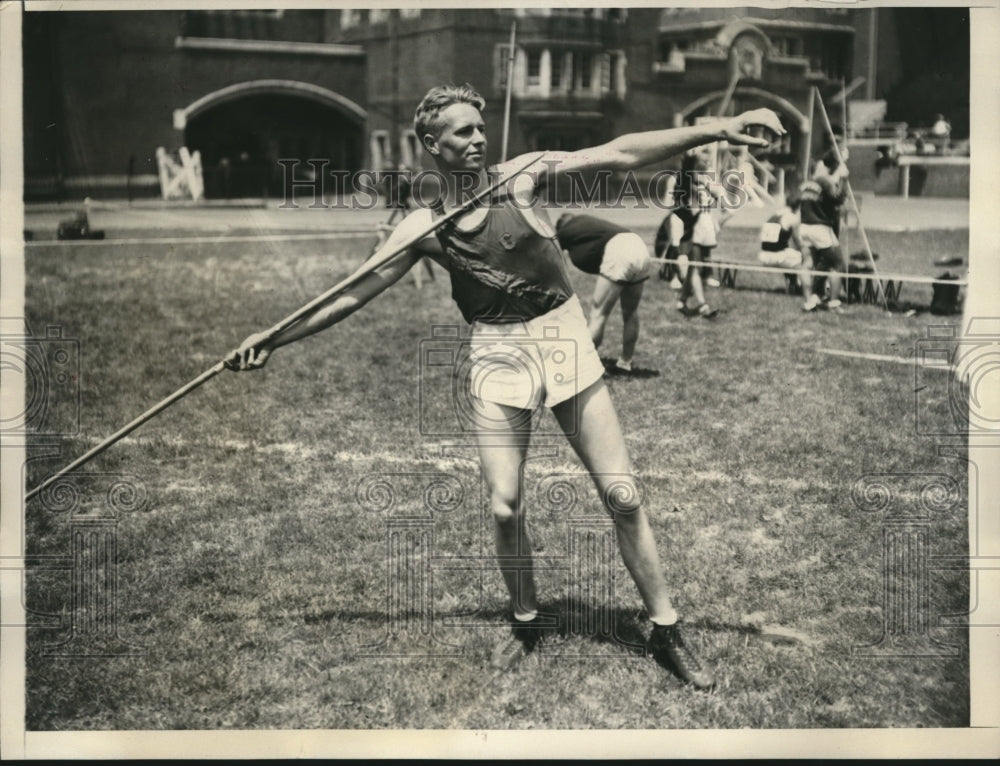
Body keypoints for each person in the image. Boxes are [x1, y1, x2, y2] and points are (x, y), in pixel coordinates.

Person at [227, 83, 784, 689]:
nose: (477, 140)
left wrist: (717, 128)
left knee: (622, 495)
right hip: (497, 351)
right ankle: (526, 619)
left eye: (479, 129)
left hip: (562, 335)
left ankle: (665, 627)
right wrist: (272, 339)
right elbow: (351, 293)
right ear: (430, 145)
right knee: (504, 504)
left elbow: (621, 152)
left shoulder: (521, 178)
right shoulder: (424, 225)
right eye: (461, 132)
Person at [554, 213, 651, 375]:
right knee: (630, 312)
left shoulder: (567, 229)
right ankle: (625, 362)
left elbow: (549, 250)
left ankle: (584, 366)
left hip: (620, 250)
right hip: (639, 247)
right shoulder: (589, 226)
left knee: (598, 314)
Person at [798, 149, 849, 313]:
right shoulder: (824, 181)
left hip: (804, 228)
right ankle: (833, 303)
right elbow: (838, 198)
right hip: (819, 228)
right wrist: (844, 178)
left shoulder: (807, 183)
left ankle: (812, 298)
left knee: (817, 264)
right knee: (838, 264)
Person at [757, 194, 803, 294]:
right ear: (798, 207)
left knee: (790, 255)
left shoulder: (774, 215)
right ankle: (804, 286)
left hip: (764, 256)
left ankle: (793, 283)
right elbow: (798, 242)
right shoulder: (791, 217)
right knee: (805, 259)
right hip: (778, 257)